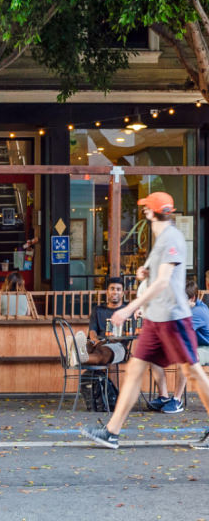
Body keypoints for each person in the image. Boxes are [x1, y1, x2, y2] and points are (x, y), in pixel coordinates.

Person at [80, 191, 209, 449]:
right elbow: (158, 274)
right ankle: (111, 431)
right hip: (155, 319)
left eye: (145, 209)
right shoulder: (161, 238)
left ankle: (111, 431)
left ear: (151, 212)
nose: (144, 212)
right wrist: (144, 272)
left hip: (172, 317)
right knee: (135, 370)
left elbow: (163, 282)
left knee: (192, 371)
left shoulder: (171, 237)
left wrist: (130, 308)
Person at [148, 280, 209, 413]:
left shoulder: (198, 312)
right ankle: (163, 396)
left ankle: (177, 400)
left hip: (206, 347)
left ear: (192, 298)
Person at [69, 277, 132, 367]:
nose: (115, 292)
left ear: (122, 293)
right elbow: (92, 330)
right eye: (112, 289)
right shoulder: (98, 310)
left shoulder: (127, 311)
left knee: (103, 353)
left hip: (118, 346)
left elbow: (129, 334)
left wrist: (107, 342)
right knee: (88, 346)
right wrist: (96, 340)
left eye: (118, 289)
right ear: (107, 291)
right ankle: (76, 352)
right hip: (97, 342)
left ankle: (76, 357)